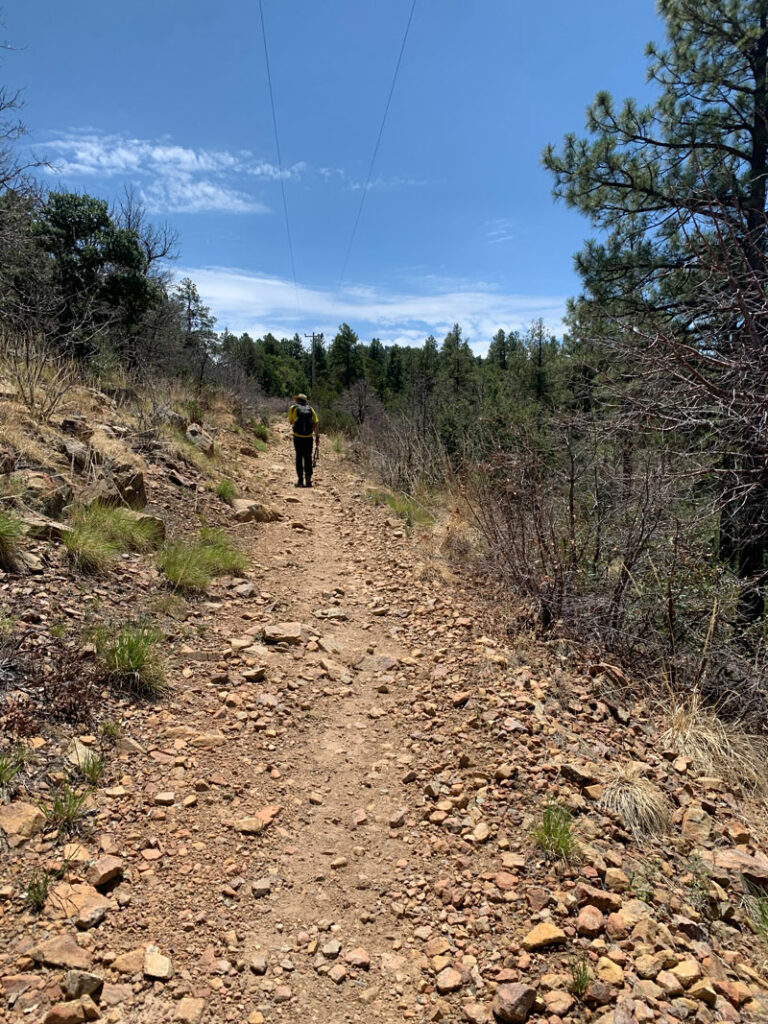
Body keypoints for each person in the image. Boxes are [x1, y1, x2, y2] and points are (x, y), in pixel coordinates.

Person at [288, 393, 319, 487]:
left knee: (299, 457)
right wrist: (317, 437)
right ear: (305, 401)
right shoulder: (311, 409)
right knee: (308, 458)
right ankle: (308, 479)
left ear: (297, 400)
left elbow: (291, 422)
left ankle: (300, 480)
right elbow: (315, 424)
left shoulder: (293, 408)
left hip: (297, 437)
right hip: (308, 437)